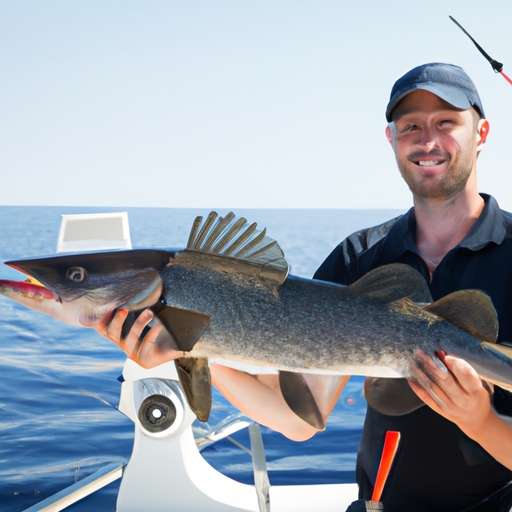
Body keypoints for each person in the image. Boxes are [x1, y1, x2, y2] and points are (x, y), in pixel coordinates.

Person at [95, 62, 512, 511]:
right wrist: (191, 349)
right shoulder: (359, 258)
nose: (427, 140)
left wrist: (481, 420)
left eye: (446, 123)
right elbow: (300, 419)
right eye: (411, 125)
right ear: (391, 138)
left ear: (482, 133)